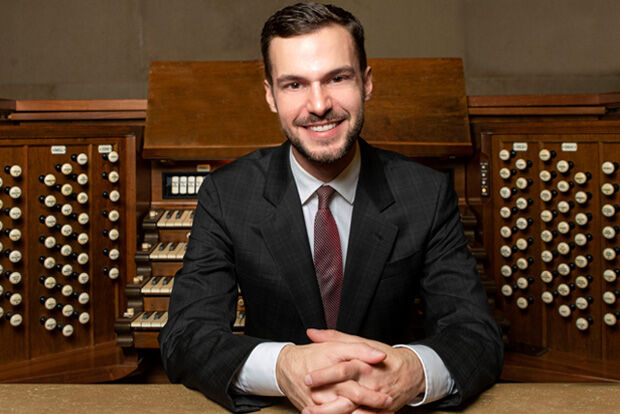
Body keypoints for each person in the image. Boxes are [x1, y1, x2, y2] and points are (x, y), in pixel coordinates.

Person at [159, 2, 503, 413]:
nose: (319, 105)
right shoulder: (227, 193)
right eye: (294, 85)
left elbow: (476, 335)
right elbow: (185, 335)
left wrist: (411, 371)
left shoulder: (425, 193)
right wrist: (282, 365)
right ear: (270, 95)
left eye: (337, 78)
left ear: (367, 82)